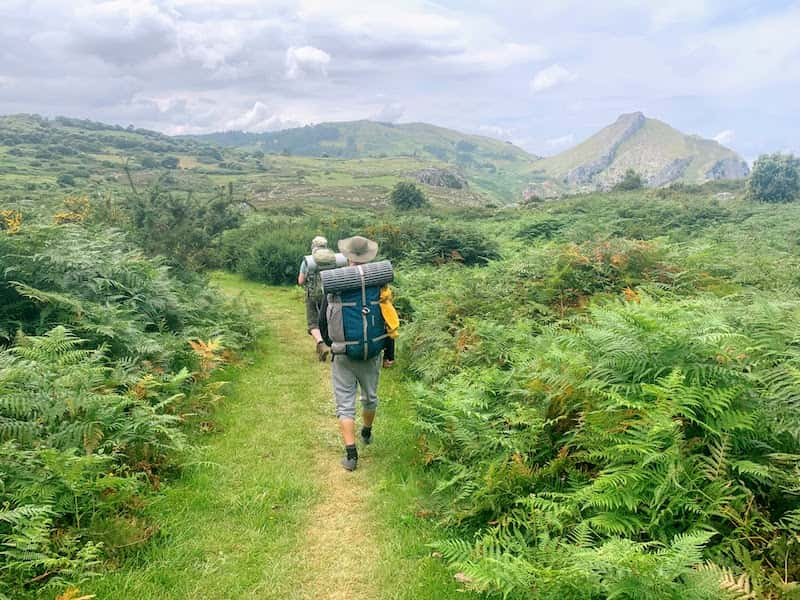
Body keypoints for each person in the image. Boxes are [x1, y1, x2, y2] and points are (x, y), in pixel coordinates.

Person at [318, 235, 399, 471]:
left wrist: (332, 344)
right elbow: (388, 321)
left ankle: (351, 455)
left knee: (345, 404)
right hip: (372, 352)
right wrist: (389, 354)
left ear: (348, 257)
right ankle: (366, 432)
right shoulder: (379, 282)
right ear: (368, 257)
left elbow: (323, 321)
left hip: (343, 353)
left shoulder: (336, 282)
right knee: (370, 397)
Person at [298, 235, 332, 361]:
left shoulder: (308, 260)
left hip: (312, 295)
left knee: (313, 323)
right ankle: (332, 344)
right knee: (328, 320)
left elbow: (300, 281)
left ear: (313, 246)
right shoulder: (333, 259)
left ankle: (321, 344)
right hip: (329, 295)